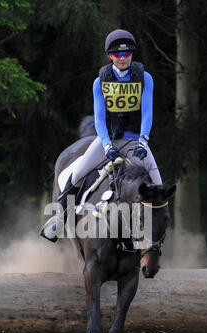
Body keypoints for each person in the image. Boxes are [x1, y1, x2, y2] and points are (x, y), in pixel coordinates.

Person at [41, 29, 162, 241]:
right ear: (109, 56)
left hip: (135, 141)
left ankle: (154, 238)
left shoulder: (145, 78)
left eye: (126, 54)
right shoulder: (100, 81)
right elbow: (99, 119)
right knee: (77, 175)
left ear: (132, 55)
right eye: (117, 54)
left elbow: (147, 112)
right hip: (109, 140)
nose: (122, 58)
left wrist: (143, 141)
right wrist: (106, 145)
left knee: (157, 184)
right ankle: (59, 221)